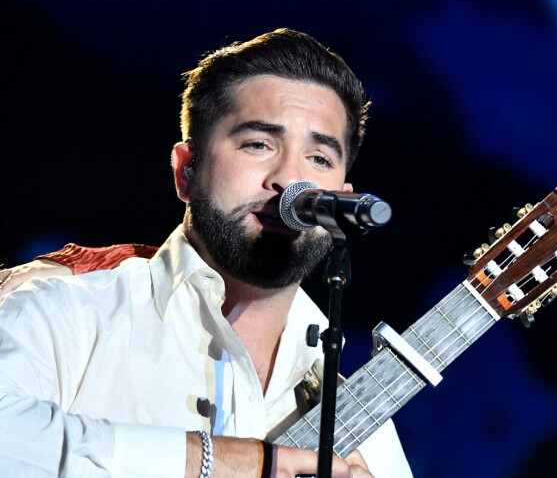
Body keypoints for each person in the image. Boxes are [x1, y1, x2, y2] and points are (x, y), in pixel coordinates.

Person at [0, 29, 412, 477]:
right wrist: (219, 461)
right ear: (185, 172)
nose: (290, 180)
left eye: (319, 159)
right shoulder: (64, 312)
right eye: (259, 144)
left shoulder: (355, 418)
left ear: (343, 198)